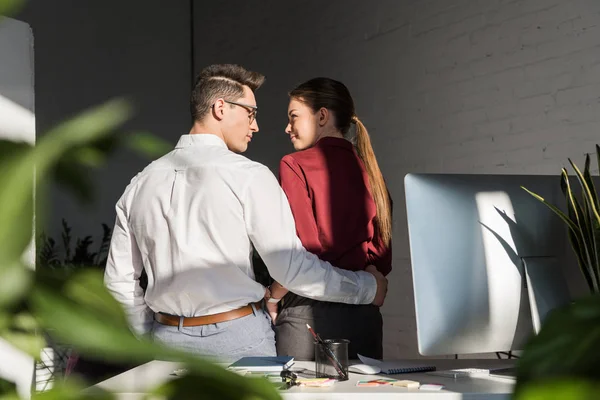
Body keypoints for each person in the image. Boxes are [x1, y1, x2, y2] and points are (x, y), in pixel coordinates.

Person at [103, 64, 388, 361]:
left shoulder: (139, 184)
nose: (256, 126)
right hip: (239, 342)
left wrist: (145, 340)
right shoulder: (249, 175)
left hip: (164, 344)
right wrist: (366, 289)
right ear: (220, 108)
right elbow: (291, 267)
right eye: (251, 113)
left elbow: (119, 284)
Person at [267, 77, 393, 360]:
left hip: (308, 315)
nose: (287, 128)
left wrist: (274, 294)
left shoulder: (294, 164)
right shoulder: (372, 171)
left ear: (322, 115)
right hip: (365, 319)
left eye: (294, 117)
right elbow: (381, 261)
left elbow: (304, 248)